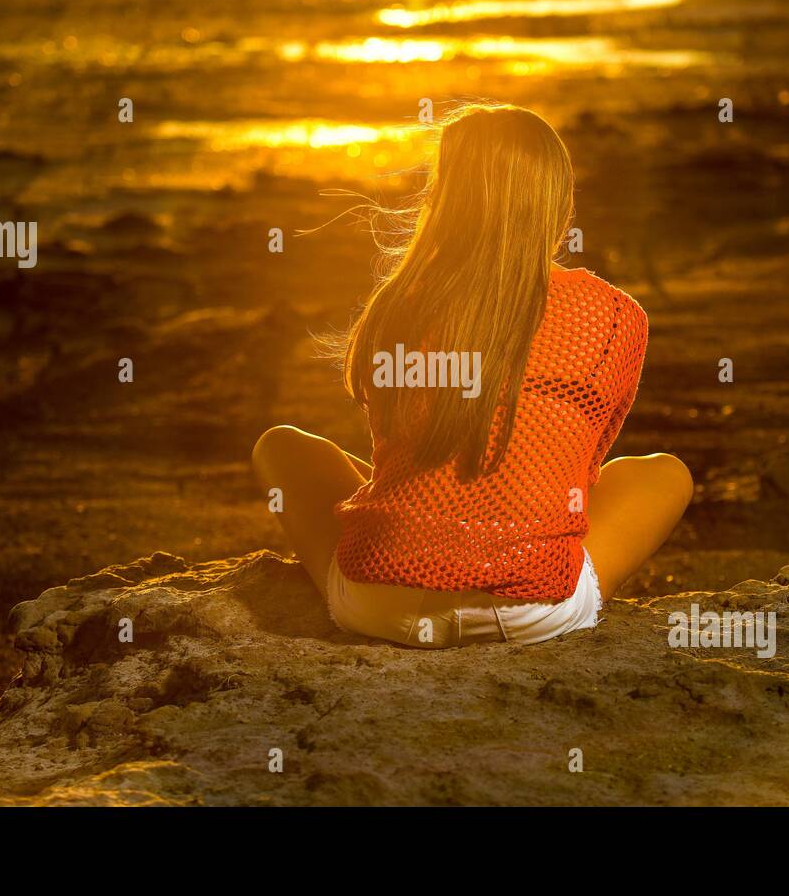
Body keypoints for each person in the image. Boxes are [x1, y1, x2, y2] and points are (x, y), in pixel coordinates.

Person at [253, 102, 691, 647]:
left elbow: (393, 445)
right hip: (531, 612)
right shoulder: (614, 314)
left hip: (376, 603)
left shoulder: (399, 302)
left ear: (446, 197)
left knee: (284, 447)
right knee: (665, 473)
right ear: (556, 199)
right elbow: (580, 469)